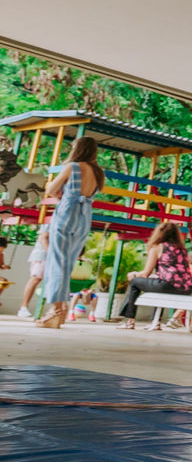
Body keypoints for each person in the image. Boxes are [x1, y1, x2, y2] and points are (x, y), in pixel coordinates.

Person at [37, 137, 105, 328]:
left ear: (78, 149)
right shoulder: (99, 173)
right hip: (84, 218)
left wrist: (60, 193)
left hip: (67, 213)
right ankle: (59, 309)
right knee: (67, 262)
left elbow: (50, 189)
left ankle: (58, 310)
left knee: (57, 262)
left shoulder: (73, 167)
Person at [115, 222, 192, 329]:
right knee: (157, 285)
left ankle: (130, 321)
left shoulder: (158, 247)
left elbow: (145, 273)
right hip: (186, 288)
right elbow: (175, 271)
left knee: (135, 282)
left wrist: (134, 274)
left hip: (168, 285)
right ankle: (156, 322)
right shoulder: (182, 249)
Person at [16, 224, 49, 318]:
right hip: (42, 255)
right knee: (35, 279)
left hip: (49, 256)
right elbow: (43, 238)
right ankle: (23, 308)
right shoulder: (49, 221)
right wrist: (50, 252)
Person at [164, 250, 192, 329]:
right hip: (186, 294)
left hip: (175, 291)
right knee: (184, 304)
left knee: (184, 303)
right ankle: (173, 319)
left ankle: (177, 321)